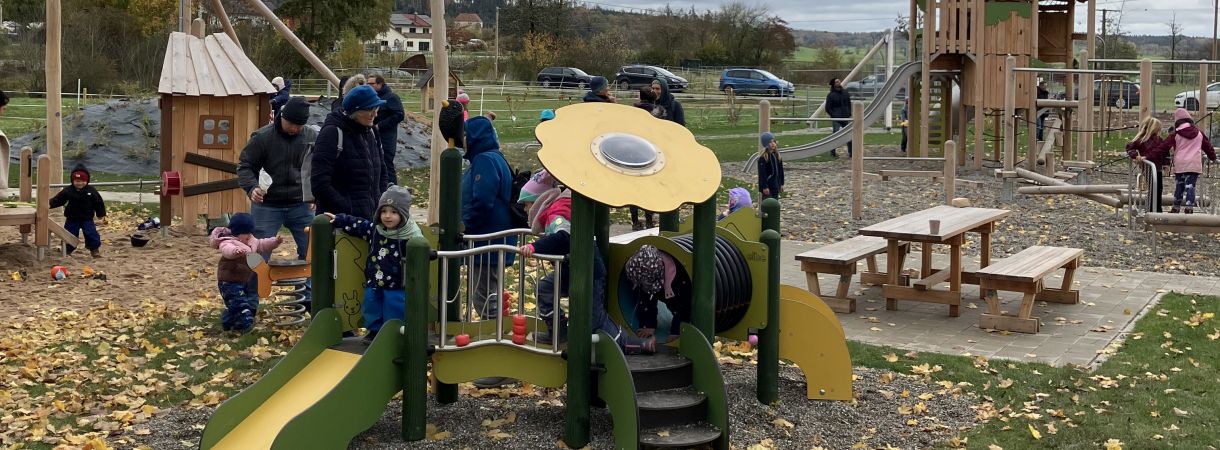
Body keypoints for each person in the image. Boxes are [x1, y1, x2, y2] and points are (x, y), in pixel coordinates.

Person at [519, 187, 655, 354]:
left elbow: (564, 237)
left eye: (526, 204)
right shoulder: (554, 214)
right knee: (545, 288)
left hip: (590, 273)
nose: (525, 210)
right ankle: (558, 332)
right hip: (573, 270)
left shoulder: (555, 216)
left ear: (538, 203)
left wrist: (534, 246)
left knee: (594, 321)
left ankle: (636, 345)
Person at [325, 186, 422, 341]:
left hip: (397, 283)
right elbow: (358, 225)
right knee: (371, 306)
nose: (387, 216)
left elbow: (420, 254)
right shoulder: (375, 230)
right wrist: (339, 219)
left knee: (394, 308)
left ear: (403, 214)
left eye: (394, 212)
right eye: (383, 211)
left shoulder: (411, 236)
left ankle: (394, 333)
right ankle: (374, 332)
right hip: (374, 281)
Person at [237, 96, 317, 261]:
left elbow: (320, 168)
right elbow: (245, 166)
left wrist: (316, 193)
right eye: (291, 123)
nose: (294, 128)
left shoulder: (312, 138)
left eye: (299, 125)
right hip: (268, 204)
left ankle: (309, 287)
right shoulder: (262, 137)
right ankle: (256, 288)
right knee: (257, 255)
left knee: (313, 252)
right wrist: (252, 187)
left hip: (301, 204)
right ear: (282, 117)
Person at [461, 115, 518, 318]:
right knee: (488, 292)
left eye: (466, 135)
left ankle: (494, 336)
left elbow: (483, 200)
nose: (463, 139)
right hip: (491, 238)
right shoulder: (491, 157)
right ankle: (495, 332)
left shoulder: (485, 160)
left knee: (483, 295)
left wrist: (465, 226)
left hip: (488, 239)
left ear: (476, 137)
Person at [311, 85, 392, 220]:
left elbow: (382, 171)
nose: (375, 113)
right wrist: (347, 209)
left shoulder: (372, 131)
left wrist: (381, 202)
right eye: (370, 109)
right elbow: (319, 183)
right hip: (341, 220)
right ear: (355, 111)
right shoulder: (332, 133)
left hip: (371, 218)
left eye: (376, 108)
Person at [208, 213, 282, 333]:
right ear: (236, 232)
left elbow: (263, 244)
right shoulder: (228, 241)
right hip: (228, 282)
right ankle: (245, 326)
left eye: (250, 232)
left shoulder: (251, 240)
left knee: (236, 305)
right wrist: (236, 251)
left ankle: (228, 322)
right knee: (241, 305)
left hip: (242, 280)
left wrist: (275, 242)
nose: (249, 235)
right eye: (246, 233)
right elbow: (227, 251)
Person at [1147, 108, 1217, 214]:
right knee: (1191, 186)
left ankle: (1176, 207)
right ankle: (1189, 207)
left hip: (1180, 164)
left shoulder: (1175, 135)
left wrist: (1148, 156)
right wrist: (1213, 157)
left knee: (1179, 185)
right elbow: (1208, 147)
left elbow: (1163, 147)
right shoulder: (1199, 134)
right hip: (1194, 164)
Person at [624, 245, 691, 343]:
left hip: (680, 288)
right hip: (651, 273)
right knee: (646, 295)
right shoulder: (644, 271)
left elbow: (685, 305)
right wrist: (647, 325)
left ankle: (679, 326)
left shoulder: (679, 278)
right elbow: (646, 299)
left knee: (681, 305)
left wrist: (677, 331)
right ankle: (649, 323)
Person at [49, 164, 107, 257]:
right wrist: (49, 204)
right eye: (77, 181)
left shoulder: (91, 191)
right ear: (73, 181)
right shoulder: (69, 190)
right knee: (69, 234)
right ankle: (67, 250)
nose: (80, 183)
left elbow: (98, 202)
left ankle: (94, 250)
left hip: (87, 218)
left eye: (82, 181)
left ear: (87, 181)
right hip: (72, 217)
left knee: (91, 233)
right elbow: (59, 199)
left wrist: (100, 213)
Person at [369, 74, 405, 185]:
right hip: (373, 136)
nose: (369, 86)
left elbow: (399, 115)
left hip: (387, 137)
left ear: (380, 84)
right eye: (368, 83)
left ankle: (392, 191)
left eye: (372, 84)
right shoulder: (373, 97)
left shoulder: (391, 97)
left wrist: (380, 126)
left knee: (386, 164)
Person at [1126, 116, 1167, 213]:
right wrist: (1136, 156)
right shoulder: (1142, 139)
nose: (1159, 130)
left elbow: (1165, 152)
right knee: (1154, 188)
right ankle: (1154, 209)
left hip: (1157, 167)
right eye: (1158, 128)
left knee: (1158, 188)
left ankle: (1155, 208)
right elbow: (1129, 148)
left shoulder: (1159, 139)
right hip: (1149, 167)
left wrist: (1166, 165)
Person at [826, 77, 853, 158]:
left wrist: (848, 112)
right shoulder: (831, 95)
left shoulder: (845, 93)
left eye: (839, 81)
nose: (839, 82)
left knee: (848, 135)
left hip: (845, 116)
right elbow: (828, 108)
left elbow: (848, 103)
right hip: (836, 118)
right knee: (835, 135)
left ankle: (851, 152)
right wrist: (834, 115)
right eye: (837, 82)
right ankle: (833, 152)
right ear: (834, 84)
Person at [757, 132, 784, 200]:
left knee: (775, 204)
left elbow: (781, 171)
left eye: (774, 141)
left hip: (776, 185)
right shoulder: (763, 158)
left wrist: (781, 183)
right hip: (768, 187)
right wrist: (765, 187)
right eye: (770, 142)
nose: (773, 144)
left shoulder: (777, 156)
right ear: (766, 144)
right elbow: (762, 174)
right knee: (768, 205)